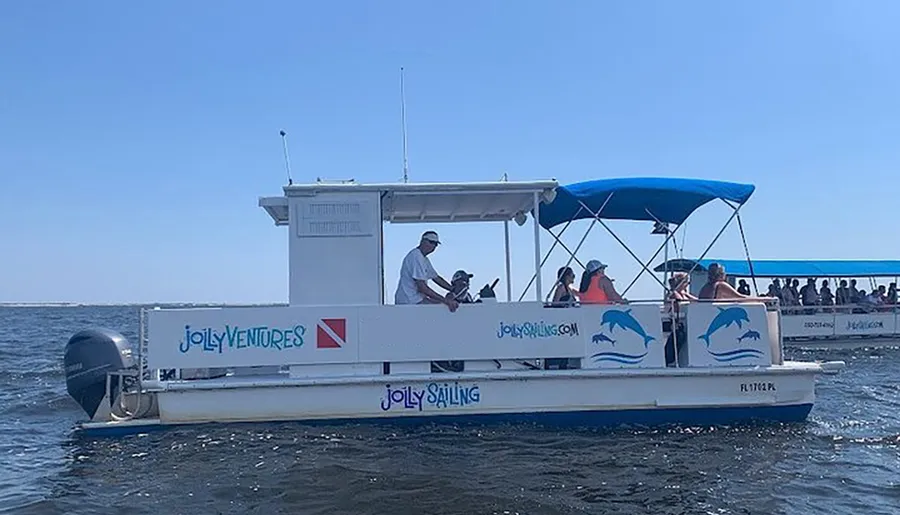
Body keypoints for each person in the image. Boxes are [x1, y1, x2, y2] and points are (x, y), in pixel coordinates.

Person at [394, 231, 459, 312]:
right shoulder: (415, 256)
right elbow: (422, 288)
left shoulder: (424, 258)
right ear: (422, 241)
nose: (433, 246)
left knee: (441, 304)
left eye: (436, 244)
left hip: (416, 300)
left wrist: (452, 289)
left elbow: (436, 278)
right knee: (442, 307)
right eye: (431, 242)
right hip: (409, 302)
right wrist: (446, 301)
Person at [698, 263, 770, 301]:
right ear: (720, 274)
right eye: (724, 273)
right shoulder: (720, 285)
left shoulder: (706, 286)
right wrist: (763, 299)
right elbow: (741, 298)